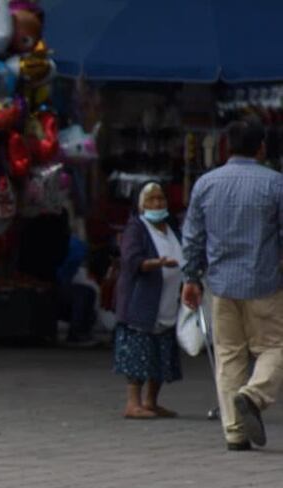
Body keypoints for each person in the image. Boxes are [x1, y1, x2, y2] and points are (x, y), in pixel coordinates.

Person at [183, 118, 283, 451]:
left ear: (227, 146)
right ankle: (253, 395)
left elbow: (193, 236)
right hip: (265, 283)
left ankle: (235, 433)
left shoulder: (206, 184)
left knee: (229, 356)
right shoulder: (275, 184)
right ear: (261, 147)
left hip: (221, 285)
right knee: (275, 347)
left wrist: (190, 277)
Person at [114, 182, 183, 419]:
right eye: (151, 199)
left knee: (161, 352)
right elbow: (131, 261)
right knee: (138, 353)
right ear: (141, 204)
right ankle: (133, 403)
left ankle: (151, 401)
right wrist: (158, 263)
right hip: (141, 302)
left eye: (161, 198)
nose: (157, 203)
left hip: (167, 301)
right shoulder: (136, 228)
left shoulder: (171, 227)